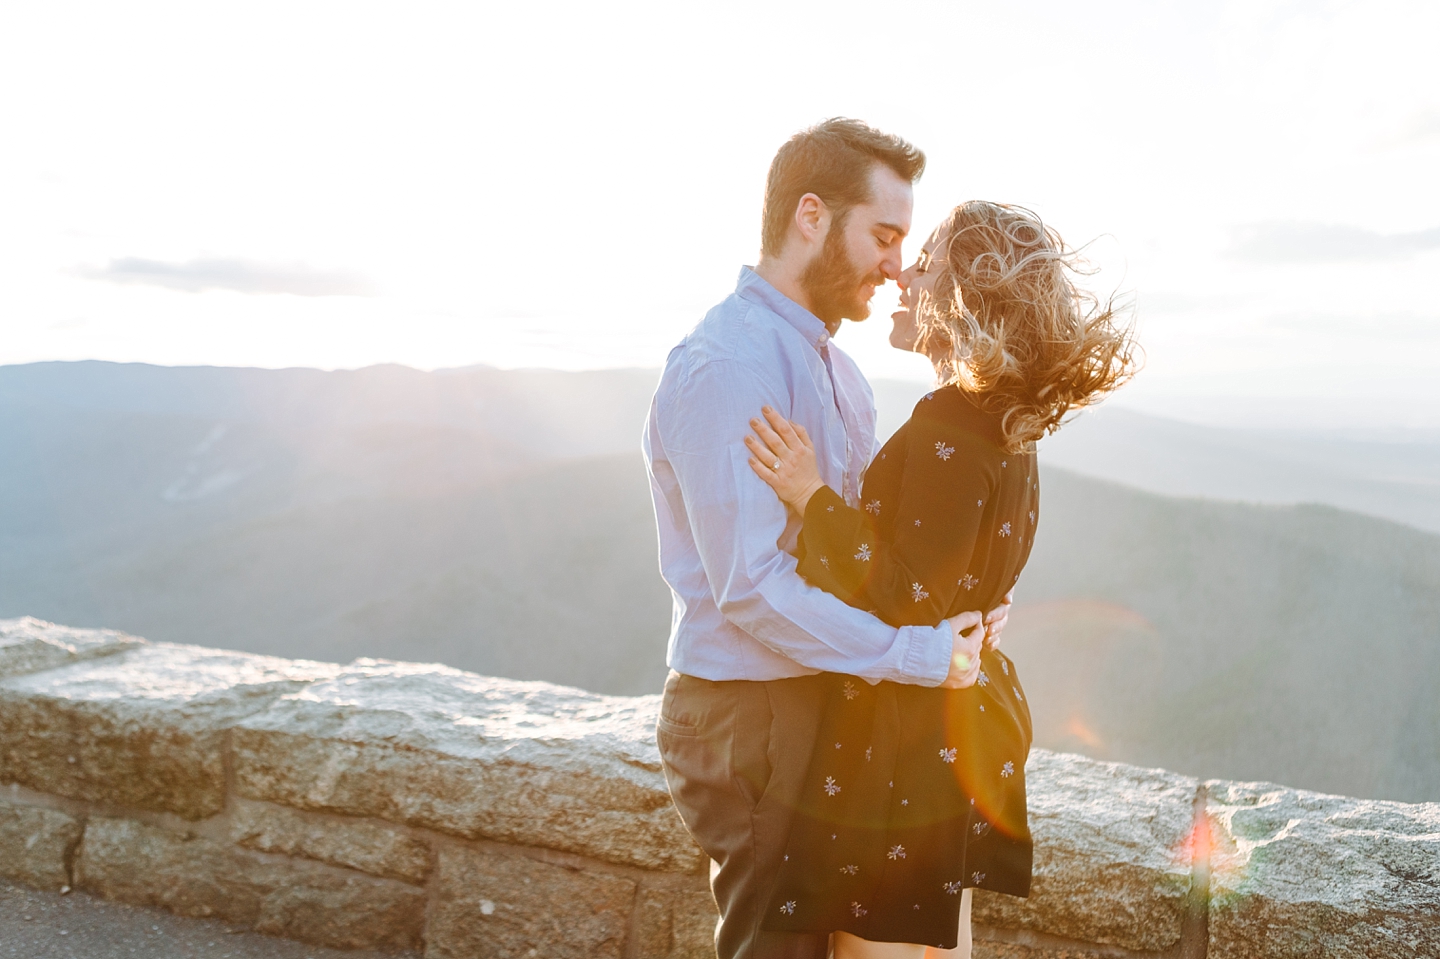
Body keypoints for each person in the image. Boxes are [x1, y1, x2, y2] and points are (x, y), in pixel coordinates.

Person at [642, 119, 1012, 959]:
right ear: (811, 216)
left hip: (827, 692)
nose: (896, 263)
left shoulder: (838, 371)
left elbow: (872, 550)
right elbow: (752, 588)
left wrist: (973, 604)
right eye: (884, 235)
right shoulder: (728, 367)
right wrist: (920, 655)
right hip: (751, 710)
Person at [744, 201, 1138, 957]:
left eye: (923, 263)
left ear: (958, 294)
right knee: (940, 942)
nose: (902, 274)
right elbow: (967, 576)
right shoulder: (1009, 426)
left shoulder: (947, 429)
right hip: (955, 733)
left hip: (898, 748)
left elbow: (905, 595)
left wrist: (809, 495)